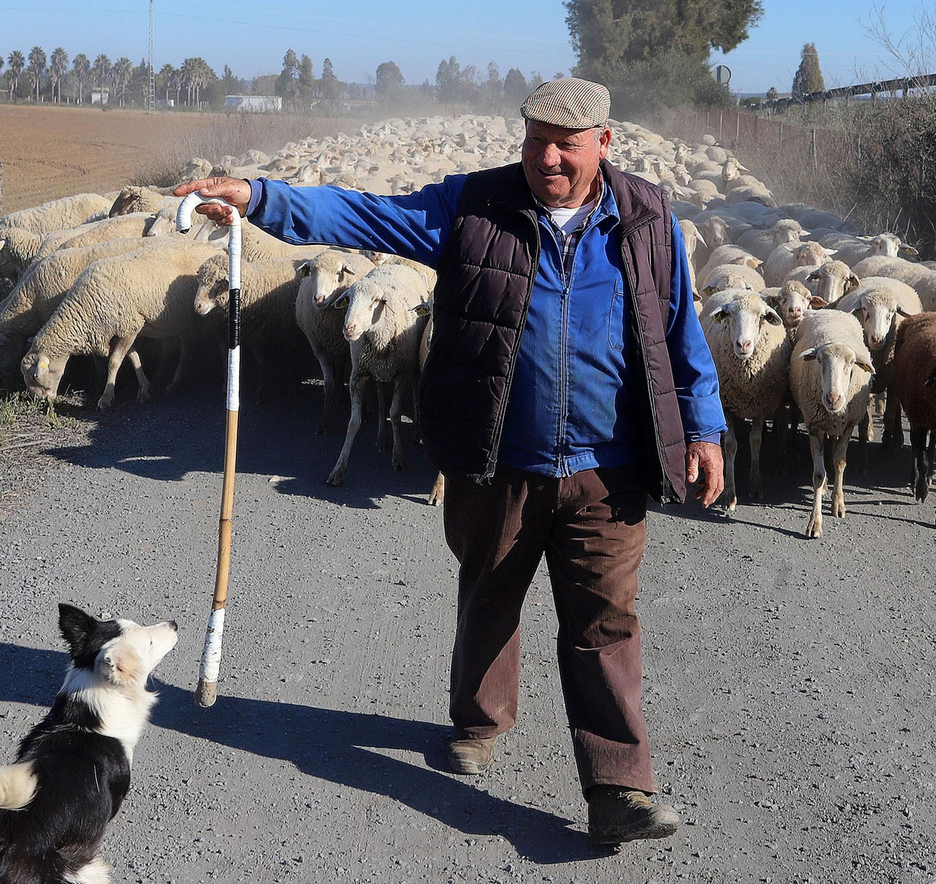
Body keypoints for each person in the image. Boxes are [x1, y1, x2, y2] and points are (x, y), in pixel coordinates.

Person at [174, 77, 725, 848]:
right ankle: (478, 716)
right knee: (490, 588)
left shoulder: (646, 217)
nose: (548, 157)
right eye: (536, 139)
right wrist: (262, 197)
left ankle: (618, 785)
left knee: (604, 620)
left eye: (567, 143)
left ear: (606, 142)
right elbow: (367, 213)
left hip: (611, 464)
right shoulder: (474, 205)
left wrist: (703, 427)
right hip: (499, 452)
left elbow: (678, 330)